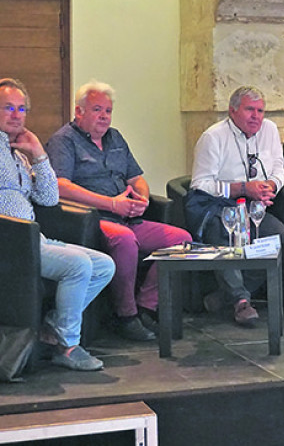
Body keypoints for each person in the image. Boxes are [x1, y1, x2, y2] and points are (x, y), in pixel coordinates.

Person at [46, 81, 191, 342]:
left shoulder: (115, 138)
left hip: (127, 216)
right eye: (97, 110)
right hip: (91, 220)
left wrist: (142, 198)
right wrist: (110, 204)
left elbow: (136, 177)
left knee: (181, 240)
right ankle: (126, 316)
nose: (104, 116)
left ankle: (146, 307)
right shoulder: (63, 141)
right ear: (79, 111)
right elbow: (60, 186)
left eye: (108, 111)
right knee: (124, 240)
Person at [0, 78, 115, 371]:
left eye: (21, 108)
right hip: (11, 243)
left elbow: (49, 199)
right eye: (8, 107)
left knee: (104, 266)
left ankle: (52, 328)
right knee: (78, 265)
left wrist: (38, 155)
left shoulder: (18, 153)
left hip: (33, 240)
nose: (16, 114)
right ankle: (67, 346)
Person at [188, 86, 284, 327]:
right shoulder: (213, 137)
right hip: (220, 207)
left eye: (260, 111)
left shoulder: (269, 130)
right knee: (226, 236)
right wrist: (243, 188)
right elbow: (200, 184)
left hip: (255, 207)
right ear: (232, 111)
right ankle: (241, 302)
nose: (256, 116)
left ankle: (225, 296)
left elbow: (279, 169)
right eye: (249, 110)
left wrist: (270, 186)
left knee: (283, 239)